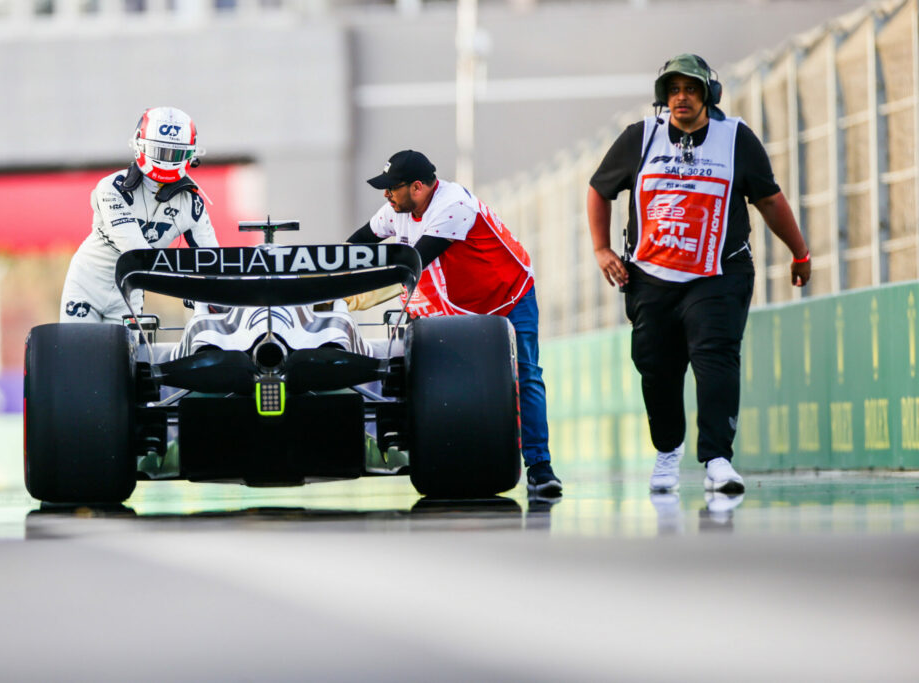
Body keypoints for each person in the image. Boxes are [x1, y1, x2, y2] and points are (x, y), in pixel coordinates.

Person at [586, 54, 811, 495]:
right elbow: (599, 189)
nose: (681, 98)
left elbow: (769, 199)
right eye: (673, 90)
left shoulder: (736, 138)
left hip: (719, 274)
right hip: (651, 277)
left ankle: (718, 460)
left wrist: (799, 252)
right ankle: (667, 452)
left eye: (690, 89)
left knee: (716, 360)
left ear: (709, 94)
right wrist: (600, 248)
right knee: (656, 368)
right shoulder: (640, 138)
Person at [347, 150, 562, 497]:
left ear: (418, 187)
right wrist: (330, 274)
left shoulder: (453, 205)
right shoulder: (397, 210)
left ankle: (540, 468)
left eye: (392, 187)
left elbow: (414, 263)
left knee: (525, 376)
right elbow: (357, 245)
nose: (386, 194)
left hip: (509, 297)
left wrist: (357, 293)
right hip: (461, 307)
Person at [60, 106, 219, 324]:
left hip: (129, 293)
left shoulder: (193, 204)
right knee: (78, 345)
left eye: (175, 154)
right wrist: (188, 286)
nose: (167, 160)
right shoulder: (112, 187)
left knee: (124, 348)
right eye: (160, 152)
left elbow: (214, 262)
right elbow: (136, 253)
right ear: (139, 144)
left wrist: (213, 291)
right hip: (87, 284)